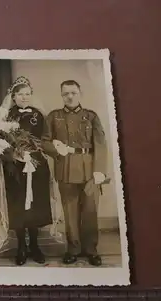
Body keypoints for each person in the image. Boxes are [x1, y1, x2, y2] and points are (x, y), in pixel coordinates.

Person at [41, 80, 108, 266]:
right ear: (61, 95)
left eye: (73, 93)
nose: (69, 96)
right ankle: (73, 249)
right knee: (70, 212)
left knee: (90, 211)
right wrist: (56, 148)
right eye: (65, 94)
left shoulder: (91, 116)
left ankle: (91, 250)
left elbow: (100, 145)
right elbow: (44, 142)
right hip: (66, 168)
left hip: (89, 169)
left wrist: (100, 171)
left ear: (80, 93)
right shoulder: (54, 117)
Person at [0, 76, 53, 266]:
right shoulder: (5, 116)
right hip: (15, 167)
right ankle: (21, 246)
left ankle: (35, 246)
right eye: (20, 94)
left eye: (27, 94)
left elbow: (46, 137)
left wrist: (35, 150)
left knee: (35, 205)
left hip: (36, 164)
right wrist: (13, 154)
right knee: (19, 205)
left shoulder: (38, 115)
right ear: (13, 97)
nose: (24, 97)